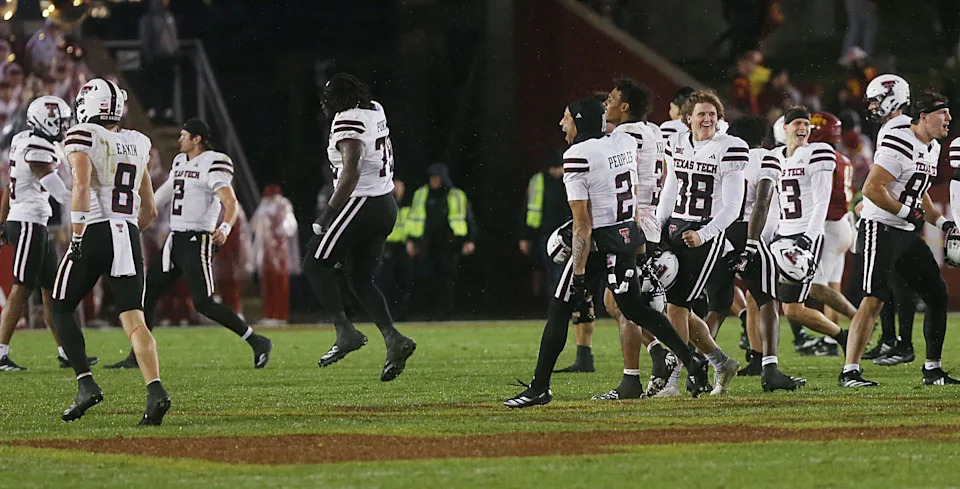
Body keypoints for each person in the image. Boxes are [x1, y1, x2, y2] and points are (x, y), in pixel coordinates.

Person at [504, 96, 706, 408]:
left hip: (599, 241)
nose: (562, 124)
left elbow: (582, 225)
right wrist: (637, 246)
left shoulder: (576, 156)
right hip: (626, 234)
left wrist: (581, 273)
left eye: (566, 117)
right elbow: (634, 197)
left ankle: (539, 387)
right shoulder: (621, 143)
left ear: (580, 120)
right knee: (637, 309)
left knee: (559, 309)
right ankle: (691, 362)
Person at [103, 119, 272, 370]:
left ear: (197, 139)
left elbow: (231, 202)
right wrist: (138, 214)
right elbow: (166, 192)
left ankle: (257, 341)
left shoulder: (214, 162)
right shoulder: (180, 161)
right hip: (175, 239)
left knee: (204, 303)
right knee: (147, 293)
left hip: (197, 239)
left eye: (184, 135)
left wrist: (224, 228)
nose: (179, 139)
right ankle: (137, 355)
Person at [53, 78, 170, 425]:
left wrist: (77, 235)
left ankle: (85, 383)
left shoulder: (82, 135)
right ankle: (155, 390)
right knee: (134, 319)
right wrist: (128, 233)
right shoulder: (138, 142)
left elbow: (82, 186)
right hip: (128, 234)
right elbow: (149, 210)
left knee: (59, 307)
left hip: (94, 229)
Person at [303, 73, 416, 381]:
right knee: (359, 278)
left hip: (362, 202)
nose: (325, 104)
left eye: (329, 98)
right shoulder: (375, 109)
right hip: (385, 202)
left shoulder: (347, 120)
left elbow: (351, 170)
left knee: (314, 262)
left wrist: (327, 215)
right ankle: (395, 340)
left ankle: (345, 331)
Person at [840, 91, 957, 387]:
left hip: (904, 232)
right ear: (924, 116)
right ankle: (849, 372)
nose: (949, 119)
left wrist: (944, 224)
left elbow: (921, 193)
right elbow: (872, 188)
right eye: (943, 113)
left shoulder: (931, 147)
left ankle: (933, 369)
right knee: (874, 298)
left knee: (936, 293)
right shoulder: (900, 140)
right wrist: (908, 212)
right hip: (880, 227)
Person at [0, 96, 98, 371]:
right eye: (61, 121)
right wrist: (88, 200)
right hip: (28, 222)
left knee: (51, 289)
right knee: (21, 288)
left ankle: (66, 352)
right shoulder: (37, 146)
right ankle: (1, 353)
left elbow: (9, 187)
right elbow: (59, 192)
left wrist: (1, 223)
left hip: (32, 221)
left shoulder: (22, 139)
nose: (64, 126)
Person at [655, 89, 743, 397]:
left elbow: (733, 206)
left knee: (677, 306)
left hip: (706, 233)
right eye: (701, 113)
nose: (707, 119)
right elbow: (670, 189)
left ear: (720, 118)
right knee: (676, 308)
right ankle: (721, 362)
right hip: (676, 228)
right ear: (687, 117)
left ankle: (672, 379)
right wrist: (658, 228)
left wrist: (704, 234)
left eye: (713, 114)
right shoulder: (677, 142)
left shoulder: (730, 147)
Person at [726, 115, 806, 391]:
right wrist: (752, 243)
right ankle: (769, 367)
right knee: (767, 301)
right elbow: (761, 203)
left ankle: (695, 363)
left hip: (718, 235)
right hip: (754, 237)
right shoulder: (767, 157)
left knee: (716, 305)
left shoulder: (724, 156)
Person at [770, 107, 850, 357]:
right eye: (796, 123)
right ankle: (764, 358)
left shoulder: (819, 153)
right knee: (777, 303)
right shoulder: (775, 156)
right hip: (781, 235)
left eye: (806, 123)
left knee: (794, 308)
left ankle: (844, 334)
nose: (803, 128)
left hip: (806, 236)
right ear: (785, 128)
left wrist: (809, 236)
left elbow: (821, 202)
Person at [859, 74, 919, 365]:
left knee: (893, 284)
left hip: (892, 215)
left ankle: (899, 342)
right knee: (888, 285)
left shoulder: (899, 128)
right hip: (894, 212)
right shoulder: (894, 127)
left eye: (876, 100)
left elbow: (887, 178)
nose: (872, 106)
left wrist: (885, 202)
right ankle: (892, 340)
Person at [807, 112, 858, 339]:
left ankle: (859, 318)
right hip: (843, 225)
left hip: (828, 225)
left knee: (815, 287)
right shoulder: (842, 158)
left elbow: (819, 196)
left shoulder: (820, 157)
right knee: (832, 286)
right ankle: (832, 338)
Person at [406, 163, 477, 321]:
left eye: (437, 177)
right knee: (427, 280)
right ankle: (430, 313)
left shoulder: (456, 195)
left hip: (449, 244)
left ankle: (445, 313)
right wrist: (411, 240)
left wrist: (469, 240)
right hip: (426, 243)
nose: (434, 181)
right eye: (432, 177)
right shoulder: (421, 194)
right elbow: (413, 217)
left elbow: (467, 217)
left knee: (447, 280)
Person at [250, 184, 299, 325]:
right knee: (268, 284)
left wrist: (276, 230)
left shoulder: (283, 206)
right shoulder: (264, 207)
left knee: (279, 284)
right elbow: (254, 225)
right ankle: (269, 314)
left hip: (280, 252)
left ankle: (280, 315)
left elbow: (289, 227)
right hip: (266, 252)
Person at [375, 179, 413, 321]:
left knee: (403, 281)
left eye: (400, 187)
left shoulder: (407, 207)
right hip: (387, 247)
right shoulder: (385, 205)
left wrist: (412, 241)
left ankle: (401, 312)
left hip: (402, 248)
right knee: (386, 282)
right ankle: (387, 313)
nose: (397, 190)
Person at [138, 0, 179, 123]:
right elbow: (145, 38)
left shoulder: (169, 16)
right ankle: (153, 112)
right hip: (155, 58)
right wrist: (148, 56)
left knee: (167, 86)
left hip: (168, 58)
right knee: (154, 85)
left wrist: (175, 52)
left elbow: (173, 37)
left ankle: (167, 112)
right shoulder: (149, 19)